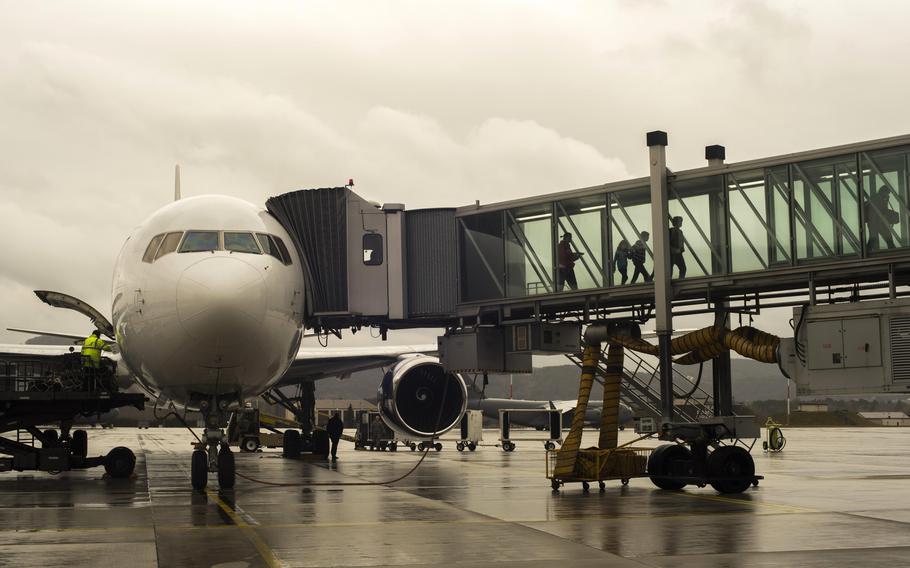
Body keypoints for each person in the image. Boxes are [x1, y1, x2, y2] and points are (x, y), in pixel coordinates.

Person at [864, 186, 898, 251]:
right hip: (879, 222)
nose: (888, 195)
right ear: (884, 192)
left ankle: (866, 252)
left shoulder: (875, 198)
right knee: (888, 239)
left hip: (874, 223)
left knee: (873, 239)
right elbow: (882, 211)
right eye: (887, 193)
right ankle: (893, 251)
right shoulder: (879, 198)